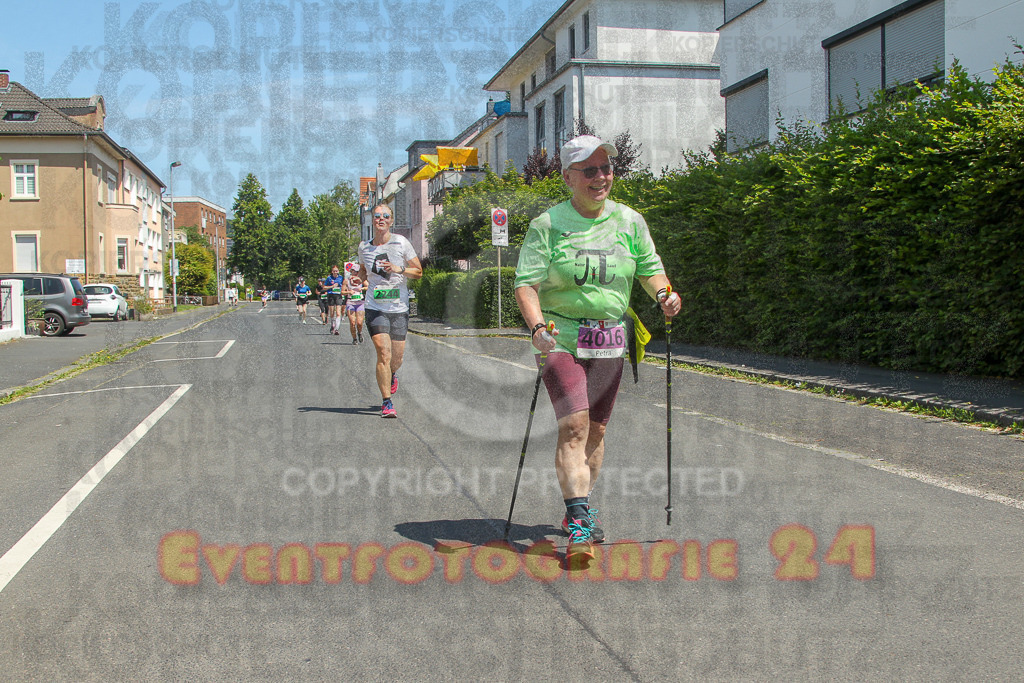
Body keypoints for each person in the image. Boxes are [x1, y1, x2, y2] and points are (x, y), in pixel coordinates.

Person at [514, 134, 681, 565]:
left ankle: (581, 503)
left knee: (597, 430)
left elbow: (650, 270)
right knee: (574, 424)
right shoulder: (547, 225)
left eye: (606, 168)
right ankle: (580, 522)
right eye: (589, 170)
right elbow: (526, 284)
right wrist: (536, 328)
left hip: (610, 339)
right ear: (569, 177)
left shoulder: (630, 221)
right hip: (559, 337)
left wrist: (664, 294)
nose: (601, 177)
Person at [357, 203, 422, 418]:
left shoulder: (401, 243)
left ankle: (392, 373)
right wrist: (358, 279)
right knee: (383, 353)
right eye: (377, 216)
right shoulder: (364, 248)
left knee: (397, 358)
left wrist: (398, 269)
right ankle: (387, 402)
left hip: (398, 307)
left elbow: (419, 272)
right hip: (375, 307)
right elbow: (363, 272)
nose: (381, 219)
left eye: (385, 216)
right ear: (373, 221)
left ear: (391, 221)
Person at [342, 261, 368, 344]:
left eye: (357, 272)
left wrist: (362, 289)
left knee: (359, 323)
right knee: (352, 323)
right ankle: (354, 338)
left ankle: (360, 333)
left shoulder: (361, 280)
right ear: (351, 271)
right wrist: (349, 292)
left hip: (360, 302)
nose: (356, 273)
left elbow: (368, 286)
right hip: (350, 302)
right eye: (354, 271)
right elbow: (342, 292)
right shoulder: (346, 281)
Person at [324, 265, 346, 335]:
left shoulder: (341, 278)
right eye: (334, 271)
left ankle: (337, 328)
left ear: (338, 271)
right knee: (332, 312)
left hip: (338, 295)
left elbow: (344, 285)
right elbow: (324, 287)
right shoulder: (329, 278)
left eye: (336, 271)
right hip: (331, 295)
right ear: (332, 272)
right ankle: (332, 325)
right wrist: (331, 286)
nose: (335, 272)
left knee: (338, 312)